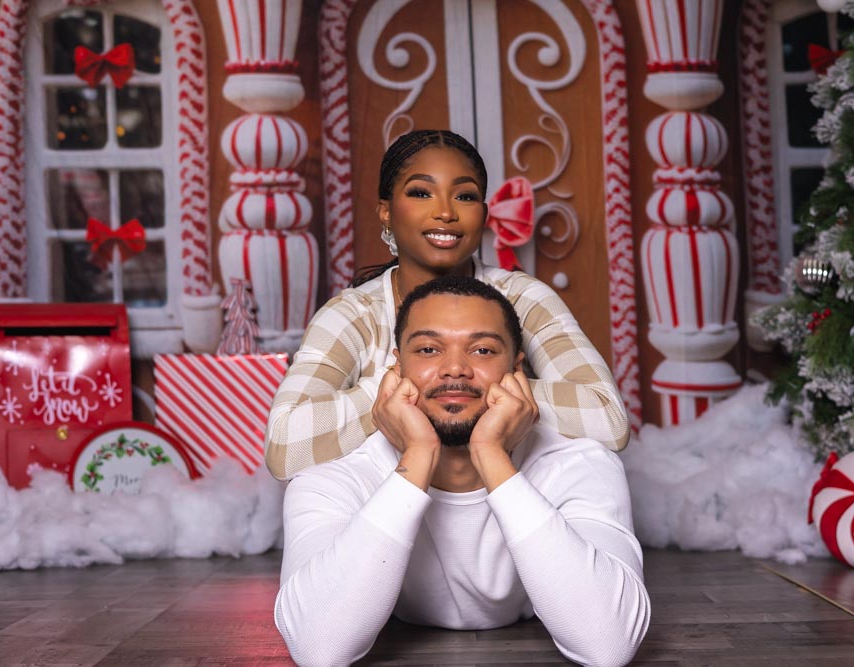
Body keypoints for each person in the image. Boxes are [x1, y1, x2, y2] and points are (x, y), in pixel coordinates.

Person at [275, 275, 650, 667]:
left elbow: (607, 645)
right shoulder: (336, 474)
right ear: (397, 367)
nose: (455, 369)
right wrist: (418, 454)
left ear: (517, 368)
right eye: (429, 349)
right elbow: (319, 648)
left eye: (483, 350)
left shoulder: (578, 463)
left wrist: (491, 455)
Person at [265, 129, 629, 481]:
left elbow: (607, 418)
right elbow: (284, 446)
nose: (445, 212)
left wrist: (472, 384)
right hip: (389, 509)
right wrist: (412, 381)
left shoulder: (523, 298)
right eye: (421, 193)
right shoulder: (354, 315)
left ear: (484, 213)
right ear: (386, 211)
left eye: (465, 196)